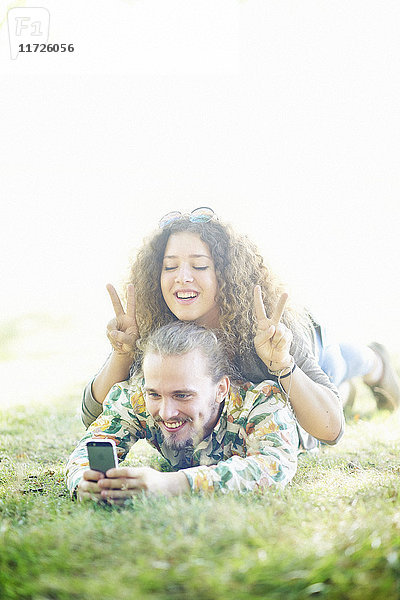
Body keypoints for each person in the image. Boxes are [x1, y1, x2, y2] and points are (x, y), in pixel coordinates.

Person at [81, 207, 399, 449]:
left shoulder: (272, 327)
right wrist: (121, 354)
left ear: (227, 274)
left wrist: (284, 365)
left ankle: (377, 361)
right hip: (280, 393)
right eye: (170, 266)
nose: (182, 277)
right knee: (320, 395)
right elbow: (93, 418)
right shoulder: (157, 330)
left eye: (200, 265)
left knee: (339, 364)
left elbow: (330, 431)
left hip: (306, 349)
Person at [66, 322, 299, 500]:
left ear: (220, 389)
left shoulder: (262, 403)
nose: (167, 413)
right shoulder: (135, 398)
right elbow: (87, 449)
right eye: (155, 394)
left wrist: (174, 484)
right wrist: (84, 483)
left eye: (182, 395)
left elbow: (274, 466)